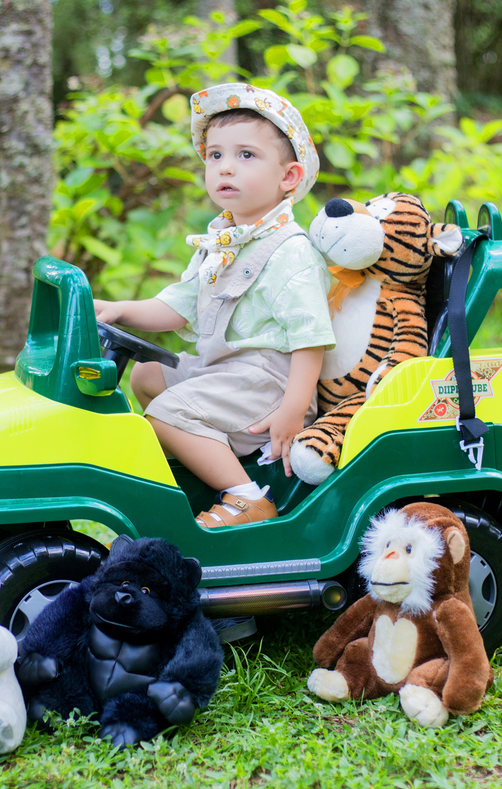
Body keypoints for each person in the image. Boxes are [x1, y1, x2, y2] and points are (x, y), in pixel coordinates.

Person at [94, 83, 334, 528]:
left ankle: (246, 497)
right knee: (147, 374)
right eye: (216, 156)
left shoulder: (289, 250)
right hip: (227, 373)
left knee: (165, 411)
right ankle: (204, 461)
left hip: (271, 385)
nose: (226, 168)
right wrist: (118, 309)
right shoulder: (223, 243)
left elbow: (311, 337)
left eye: (246, 156)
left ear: (289, 178)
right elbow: (179, 307)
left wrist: (293, 408)